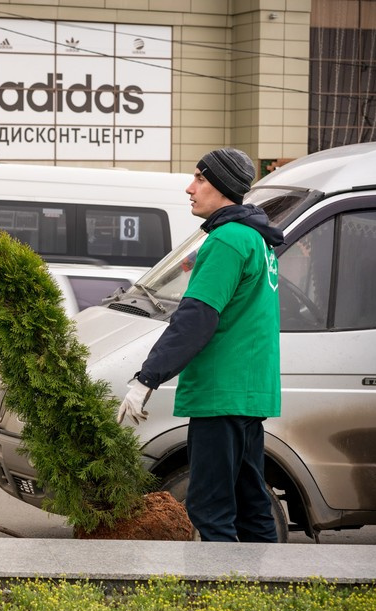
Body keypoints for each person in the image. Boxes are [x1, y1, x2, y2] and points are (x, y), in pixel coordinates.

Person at [116, 147, 284, 543]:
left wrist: (146, 379)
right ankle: (272, 593)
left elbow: (196, 319)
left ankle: (217, 596)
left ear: (223, 187)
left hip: (220, 393)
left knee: (210, 508)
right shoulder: (256, 238)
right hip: (248, 392)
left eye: (201, 178)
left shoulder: (227, 240)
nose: (190, 188)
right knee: (252, 505)